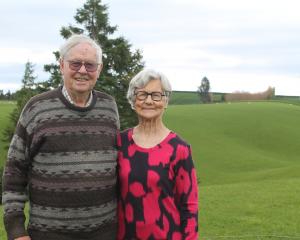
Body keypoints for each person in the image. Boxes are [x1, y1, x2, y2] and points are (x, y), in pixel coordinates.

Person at [2, 34, 120, 240]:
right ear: (61, 65)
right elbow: (14, 172)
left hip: (105, 234)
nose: (82, 70)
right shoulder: (37, 108)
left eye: (90, 65)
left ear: (99, 70)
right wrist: (16, 231)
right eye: (75, 63)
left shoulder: (109, 107)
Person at [117, 69, 199, 239]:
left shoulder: (179, 149)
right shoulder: (119, 143)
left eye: (156, 95)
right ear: (133, 100)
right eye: (142, 95)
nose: (148, 101)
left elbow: (189, 207)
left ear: (165, 101)